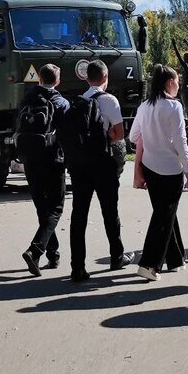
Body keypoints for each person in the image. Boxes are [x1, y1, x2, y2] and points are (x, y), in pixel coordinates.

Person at [64, 60, 134, 282]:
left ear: (87, 79)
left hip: (80, 165)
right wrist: (104, 141)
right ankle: (117, 256)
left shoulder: (78, 101)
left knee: (79, 214)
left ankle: (77, 267)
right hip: (103, 163)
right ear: (106, 77)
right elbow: (119, 133)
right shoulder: (110, 100)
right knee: (110, 212)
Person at [130, 65, 188, 281]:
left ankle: (175, 259)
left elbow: (133, 136)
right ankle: (149, 263)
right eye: (177, 80)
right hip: (171, 168)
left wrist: (151, 136)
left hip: (150, 166)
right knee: (164, 216)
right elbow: (181, 141)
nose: (179, 84)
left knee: (164, 212)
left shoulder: (144, 106)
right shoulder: (174, 106)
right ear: (169, 82)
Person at [16, 64, 70, 276]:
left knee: (42, 208)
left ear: (39, 78)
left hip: (30, 158)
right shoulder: (61, 102)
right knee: (55, 208)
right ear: (58, 81)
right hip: (53, 159)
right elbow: (66, 133)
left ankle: (52, 255)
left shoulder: (26, 99)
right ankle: (35, 249)